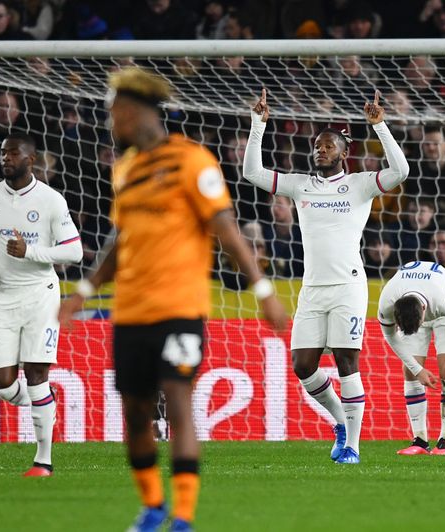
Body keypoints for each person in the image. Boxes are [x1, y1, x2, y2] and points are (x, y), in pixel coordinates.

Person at [58, 68, 288, 532]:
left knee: (178, 402)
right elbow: (120, 240)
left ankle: (183, 516)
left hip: (181, 307)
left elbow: (225, 229)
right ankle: (152, 506)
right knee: (135, 413)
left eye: (112, 113)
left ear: (131, 111)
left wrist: (263, 290)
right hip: (131, 311)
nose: (109, 122)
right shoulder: (124, 169)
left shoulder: (192, 160)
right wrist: (83, 291)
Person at [243, 88, 409, 464]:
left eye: (329, 146)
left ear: (344, 153)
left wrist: (380, 126)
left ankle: (353, 446)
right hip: (312, 289)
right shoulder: (301, 185)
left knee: (347, 362)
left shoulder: (360, 185)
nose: (321, 150)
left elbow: (401, 171)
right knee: (303, 365)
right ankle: (340, 422)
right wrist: (258, 124)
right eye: (317, 146)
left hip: (348, 286)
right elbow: (252, 173)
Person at [0, 132, 83, 477]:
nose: (5, 158)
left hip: (40, 295)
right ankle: (45, 402)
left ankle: (43, 461)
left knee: (36, 375)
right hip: (3, 297)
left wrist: (31, 252)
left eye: (12, 154)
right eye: (2, 153)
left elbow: (74, 251)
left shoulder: (51, 201)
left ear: (30, 160)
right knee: (5, 386)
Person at [378, 261, 445, 456]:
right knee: (410, 370)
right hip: (418, 298)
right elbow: (390, 336)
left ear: (423, 311)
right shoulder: (387, 301)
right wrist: (417, 370)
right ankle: (419, 440)